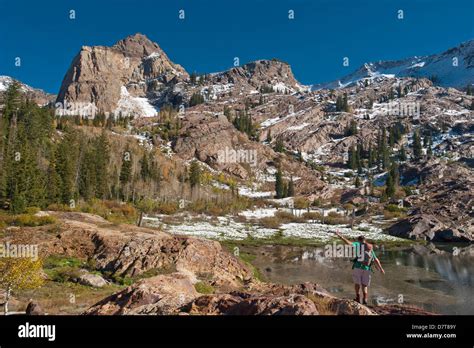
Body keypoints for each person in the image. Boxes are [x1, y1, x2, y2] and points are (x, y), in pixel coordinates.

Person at [335, 231, 385, 305]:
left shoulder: (358, 244)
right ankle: (365, 299)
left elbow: (349, 243)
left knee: (357, 283)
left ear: (358, 240)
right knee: (364, 285)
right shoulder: (369, 247)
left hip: (358, 267)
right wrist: (381, 268)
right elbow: (375, 259)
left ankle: (358, 298)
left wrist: (340, 236)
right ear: (365, 240)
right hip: (367, 269)